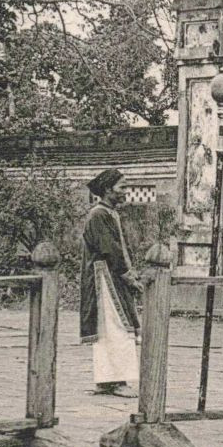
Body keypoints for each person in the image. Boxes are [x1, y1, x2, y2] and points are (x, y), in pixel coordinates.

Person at [80, 169, 140, 395]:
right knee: (116, 327)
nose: (125, 191)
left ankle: (108, 380)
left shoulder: (108, 213)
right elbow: (109, 249)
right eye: (122, 187)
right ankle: (117, 380)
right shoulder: (98, 214)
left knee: (111, 327)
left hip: (110, 274)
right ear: (108, 190)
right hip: (104, 276)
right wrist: (127, 276)